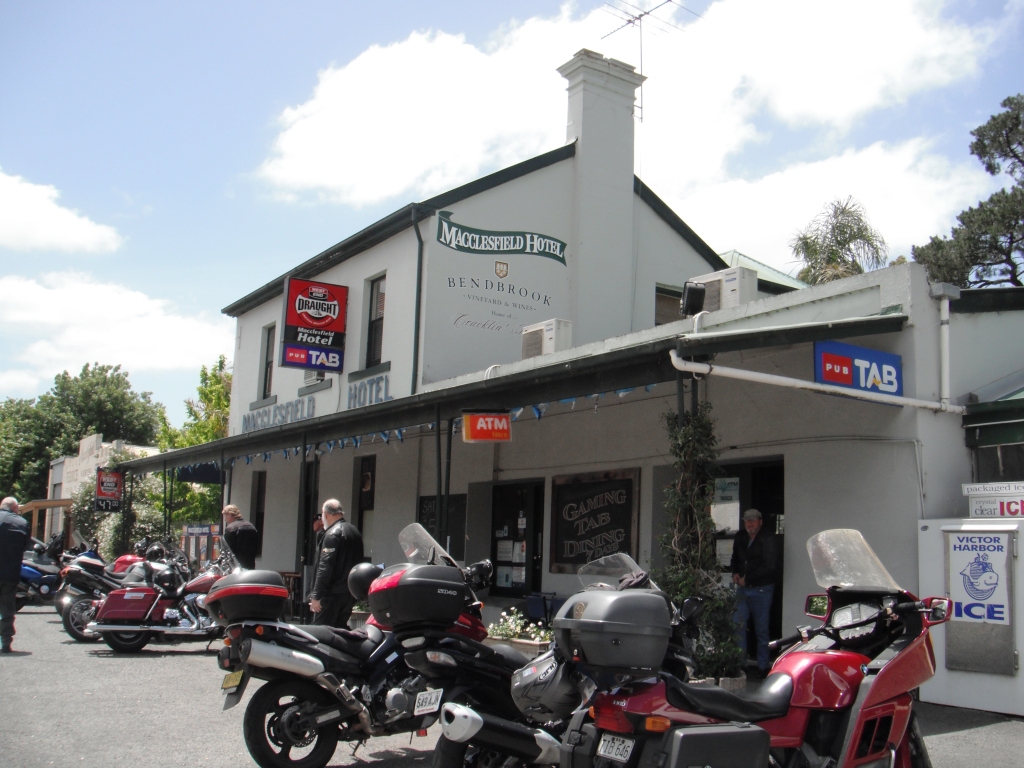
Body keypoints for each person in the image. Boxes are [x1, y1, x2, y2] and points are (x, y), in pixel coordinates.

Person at [730, 508, 777, 677]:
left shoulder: (768, 538)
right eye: (747, 520)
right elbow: (735, 557)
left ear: (760, 521)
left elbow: (769, 566)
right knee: (738, 625)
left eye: (753, 519)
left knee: (761, 628)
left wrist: (748, 579)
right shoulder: (740, 537)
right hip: (743, 589)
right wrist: (735, 572)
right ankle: (740, 664)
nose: (750, 523)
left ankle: (763, 666)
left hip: (762, 589)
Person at [309, 499, 363, 627]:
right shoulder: (354, 531)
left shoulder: (332, 534)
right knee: (340, 629)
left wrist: (316, 595)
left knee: (320, 631)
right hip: (348, 593)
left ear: (326, 514)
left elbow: (325, 566)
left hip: (332, 594)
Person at [0, 497, 29, 654]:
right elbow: (25, 546)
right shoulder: (22, 523)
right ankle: (6, 643)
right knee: (7, 608)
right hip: (10, 573)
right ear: (14, 508)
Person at [222, 505, 259, 570]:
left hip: (236, 566)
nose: (225, 520)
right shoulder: (251, 526)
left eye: (225, 516)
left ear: (229, 515)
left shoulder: (231, 528)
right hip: (250, 565)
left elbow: (228, 550)